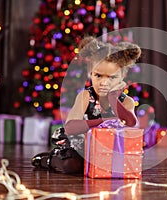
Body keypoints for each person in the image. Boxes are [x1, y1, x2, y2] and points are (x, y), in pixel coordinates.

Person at [31, 36, 142, 173]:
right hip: (82, 144)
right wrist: (105, 122)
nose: (104, 83)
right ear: (91, 74)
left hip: (110, 147)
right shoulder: (86, 96)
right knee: (72, 166)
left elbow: (130, 122)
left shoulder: (127, 101)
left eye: (112, 77)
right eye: (98, 76)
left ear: (122, 78)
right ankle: (49, 159)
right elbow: (71, 127)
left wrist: (113, 97)